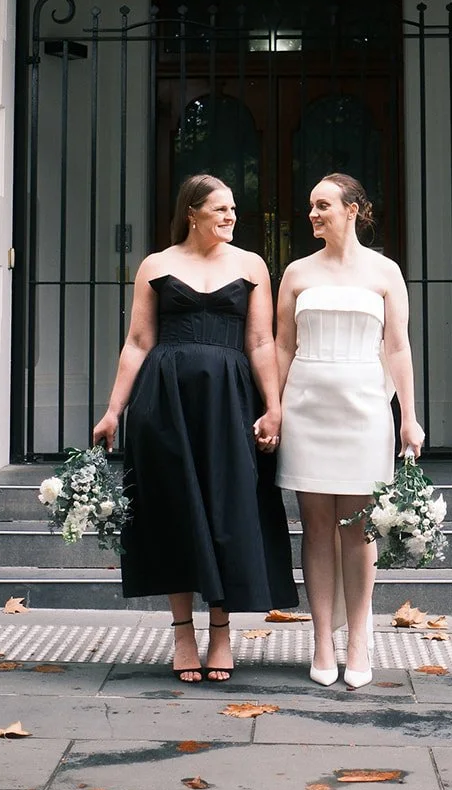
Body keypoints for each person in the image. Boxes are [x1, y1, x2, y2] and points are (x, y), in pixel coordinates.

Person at [91, 173, 297, 683]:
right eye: (220, 209)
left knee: (227, 509)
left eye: (232, 210)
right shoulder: (156, 266)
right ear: (193, 213)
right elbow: (138, 341)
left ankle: (222, 632)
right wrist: (114, 409)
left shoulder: (251, 265)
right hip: (165, 401)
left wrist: (274, 406)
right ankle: (183, 632)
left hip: (230, 402)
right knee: (174, 509)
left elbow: (261, 342)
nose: (231, 217)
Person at [275, 173, 424, 689]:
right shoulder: (295, 272)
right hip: (307, 405)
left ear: (353, 209)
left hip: (364, 406)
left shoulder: (385, 272)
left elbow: (398, 347)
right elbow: (280, 346)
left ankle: (359, 638)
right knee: (315, 526)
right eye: (310, 206)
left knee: (358, 530)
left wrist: (409, 415)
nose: (313, 214)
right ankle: (320, 640)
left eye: (323, 205)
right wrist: (274, 408)